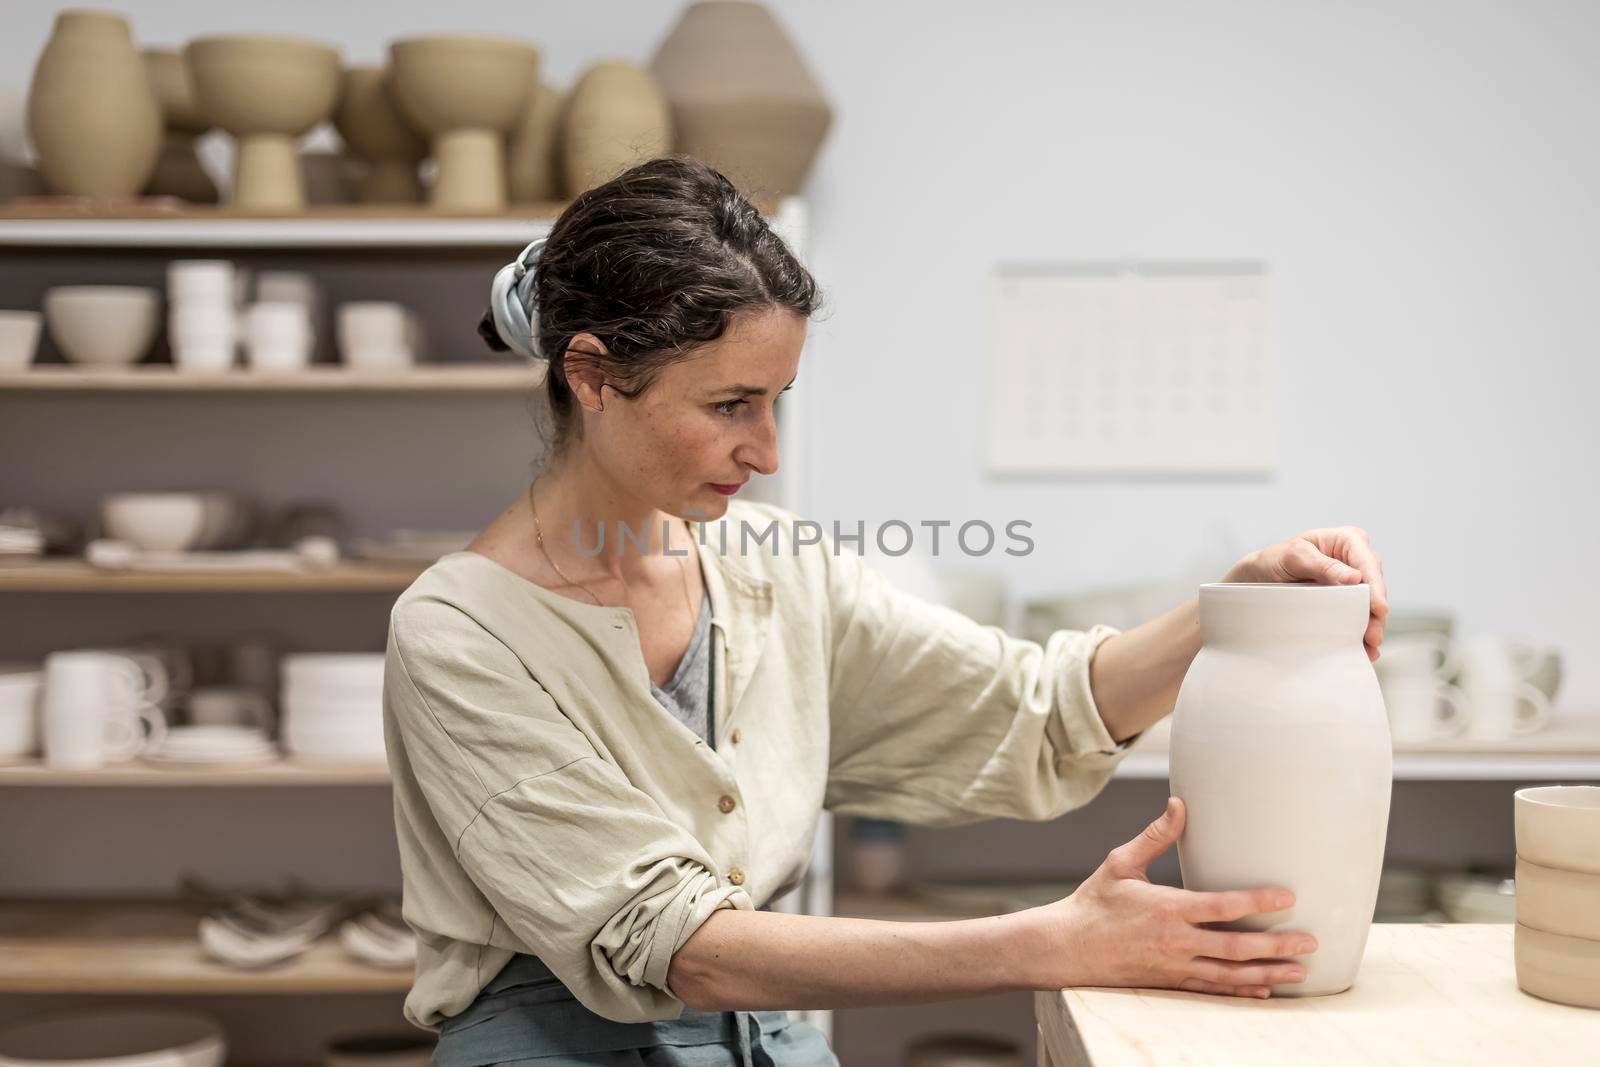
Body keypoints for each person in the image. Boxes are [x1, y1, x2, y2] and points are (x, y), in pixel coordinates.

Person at [381, 156, 1390, 1067]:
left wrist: (1234, 604)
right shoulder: (457, 634)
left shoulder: (774, 568)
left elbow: (1027, 710)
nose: (767, 451)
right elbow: (686, 948)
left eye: (777, 399)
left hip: (759, 1036)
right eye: (730, 404)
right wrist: (1048, 941)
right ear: (593, 375)